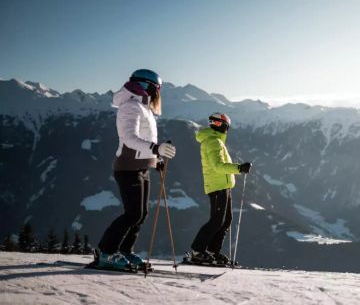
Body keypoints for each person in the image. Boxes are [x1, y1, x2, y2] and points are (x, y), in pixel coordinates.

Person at [97, 69, 176, 270]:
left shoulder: (144, 108)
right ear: (147, 86)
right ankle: (105, 252)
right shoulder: (130, 107)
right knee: (132, 214)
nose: (158, 94)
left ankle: (124, 250)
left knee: (141, 214)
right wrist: (156, 149)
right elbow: (129, 139)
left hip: (142, 166)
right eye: (157, 89)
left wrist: (154, 159)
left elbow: (146, 139)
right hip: (127, 167)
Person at [185, 113, 251, 266]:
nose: (215, 124)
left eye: (215, 122)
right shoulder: (213, 142)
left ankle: (212, 251)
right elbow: (218, 166)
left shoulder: (215, 141)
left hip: (223, 186)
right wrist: (239, 168)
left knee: (225, 221)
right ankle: (197, 251)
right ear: (225, 127)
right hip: (217, 186)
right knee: (217, 221)